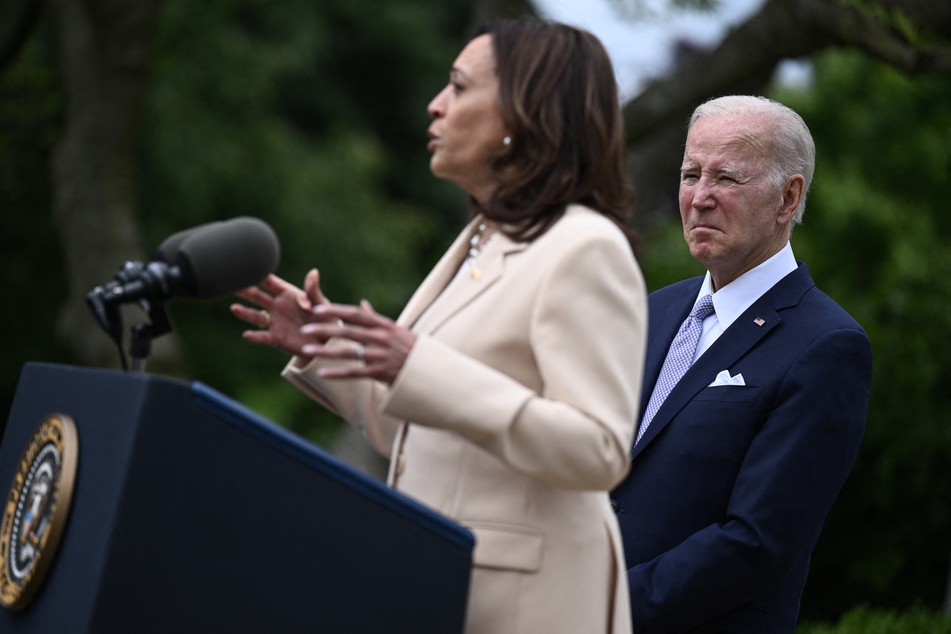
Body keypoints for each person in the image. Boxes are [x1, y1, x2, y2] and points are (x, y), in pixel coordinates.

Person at [231, 19, 647, 634]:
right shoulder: (482, 239)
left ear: (522, 112)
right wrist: (328, 347)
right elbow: (415, 436)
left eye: (457, 86)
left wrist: (418, 365)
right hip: (441, 583)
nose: (436, 103)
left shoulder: (584, 247)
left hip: (527, 607)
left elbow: (599, 449)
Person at [610, 94, 873, 633]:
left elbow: (757, 542)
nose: (700, 198)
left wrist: (604, 606)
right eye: (690, 174)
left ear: (787, 197)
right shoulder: (652, 310)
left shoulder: (827, 345)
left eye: (726, 178)